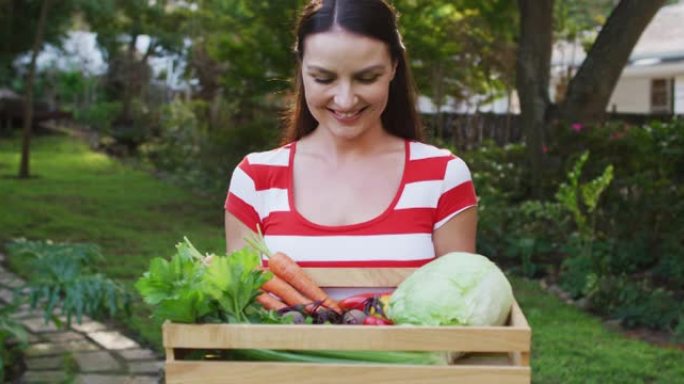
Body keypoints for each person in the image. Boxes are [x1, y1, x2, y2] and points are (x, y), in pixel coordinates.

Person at [224, 0, 477, 299]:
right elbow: (242, 314)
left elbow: (461, 315)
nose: (345, 100)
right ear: (301, 68)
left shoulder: (442, 177)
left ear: (394, 67)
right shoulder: (255, 179)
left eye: (366, 78)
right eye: (324, 78)